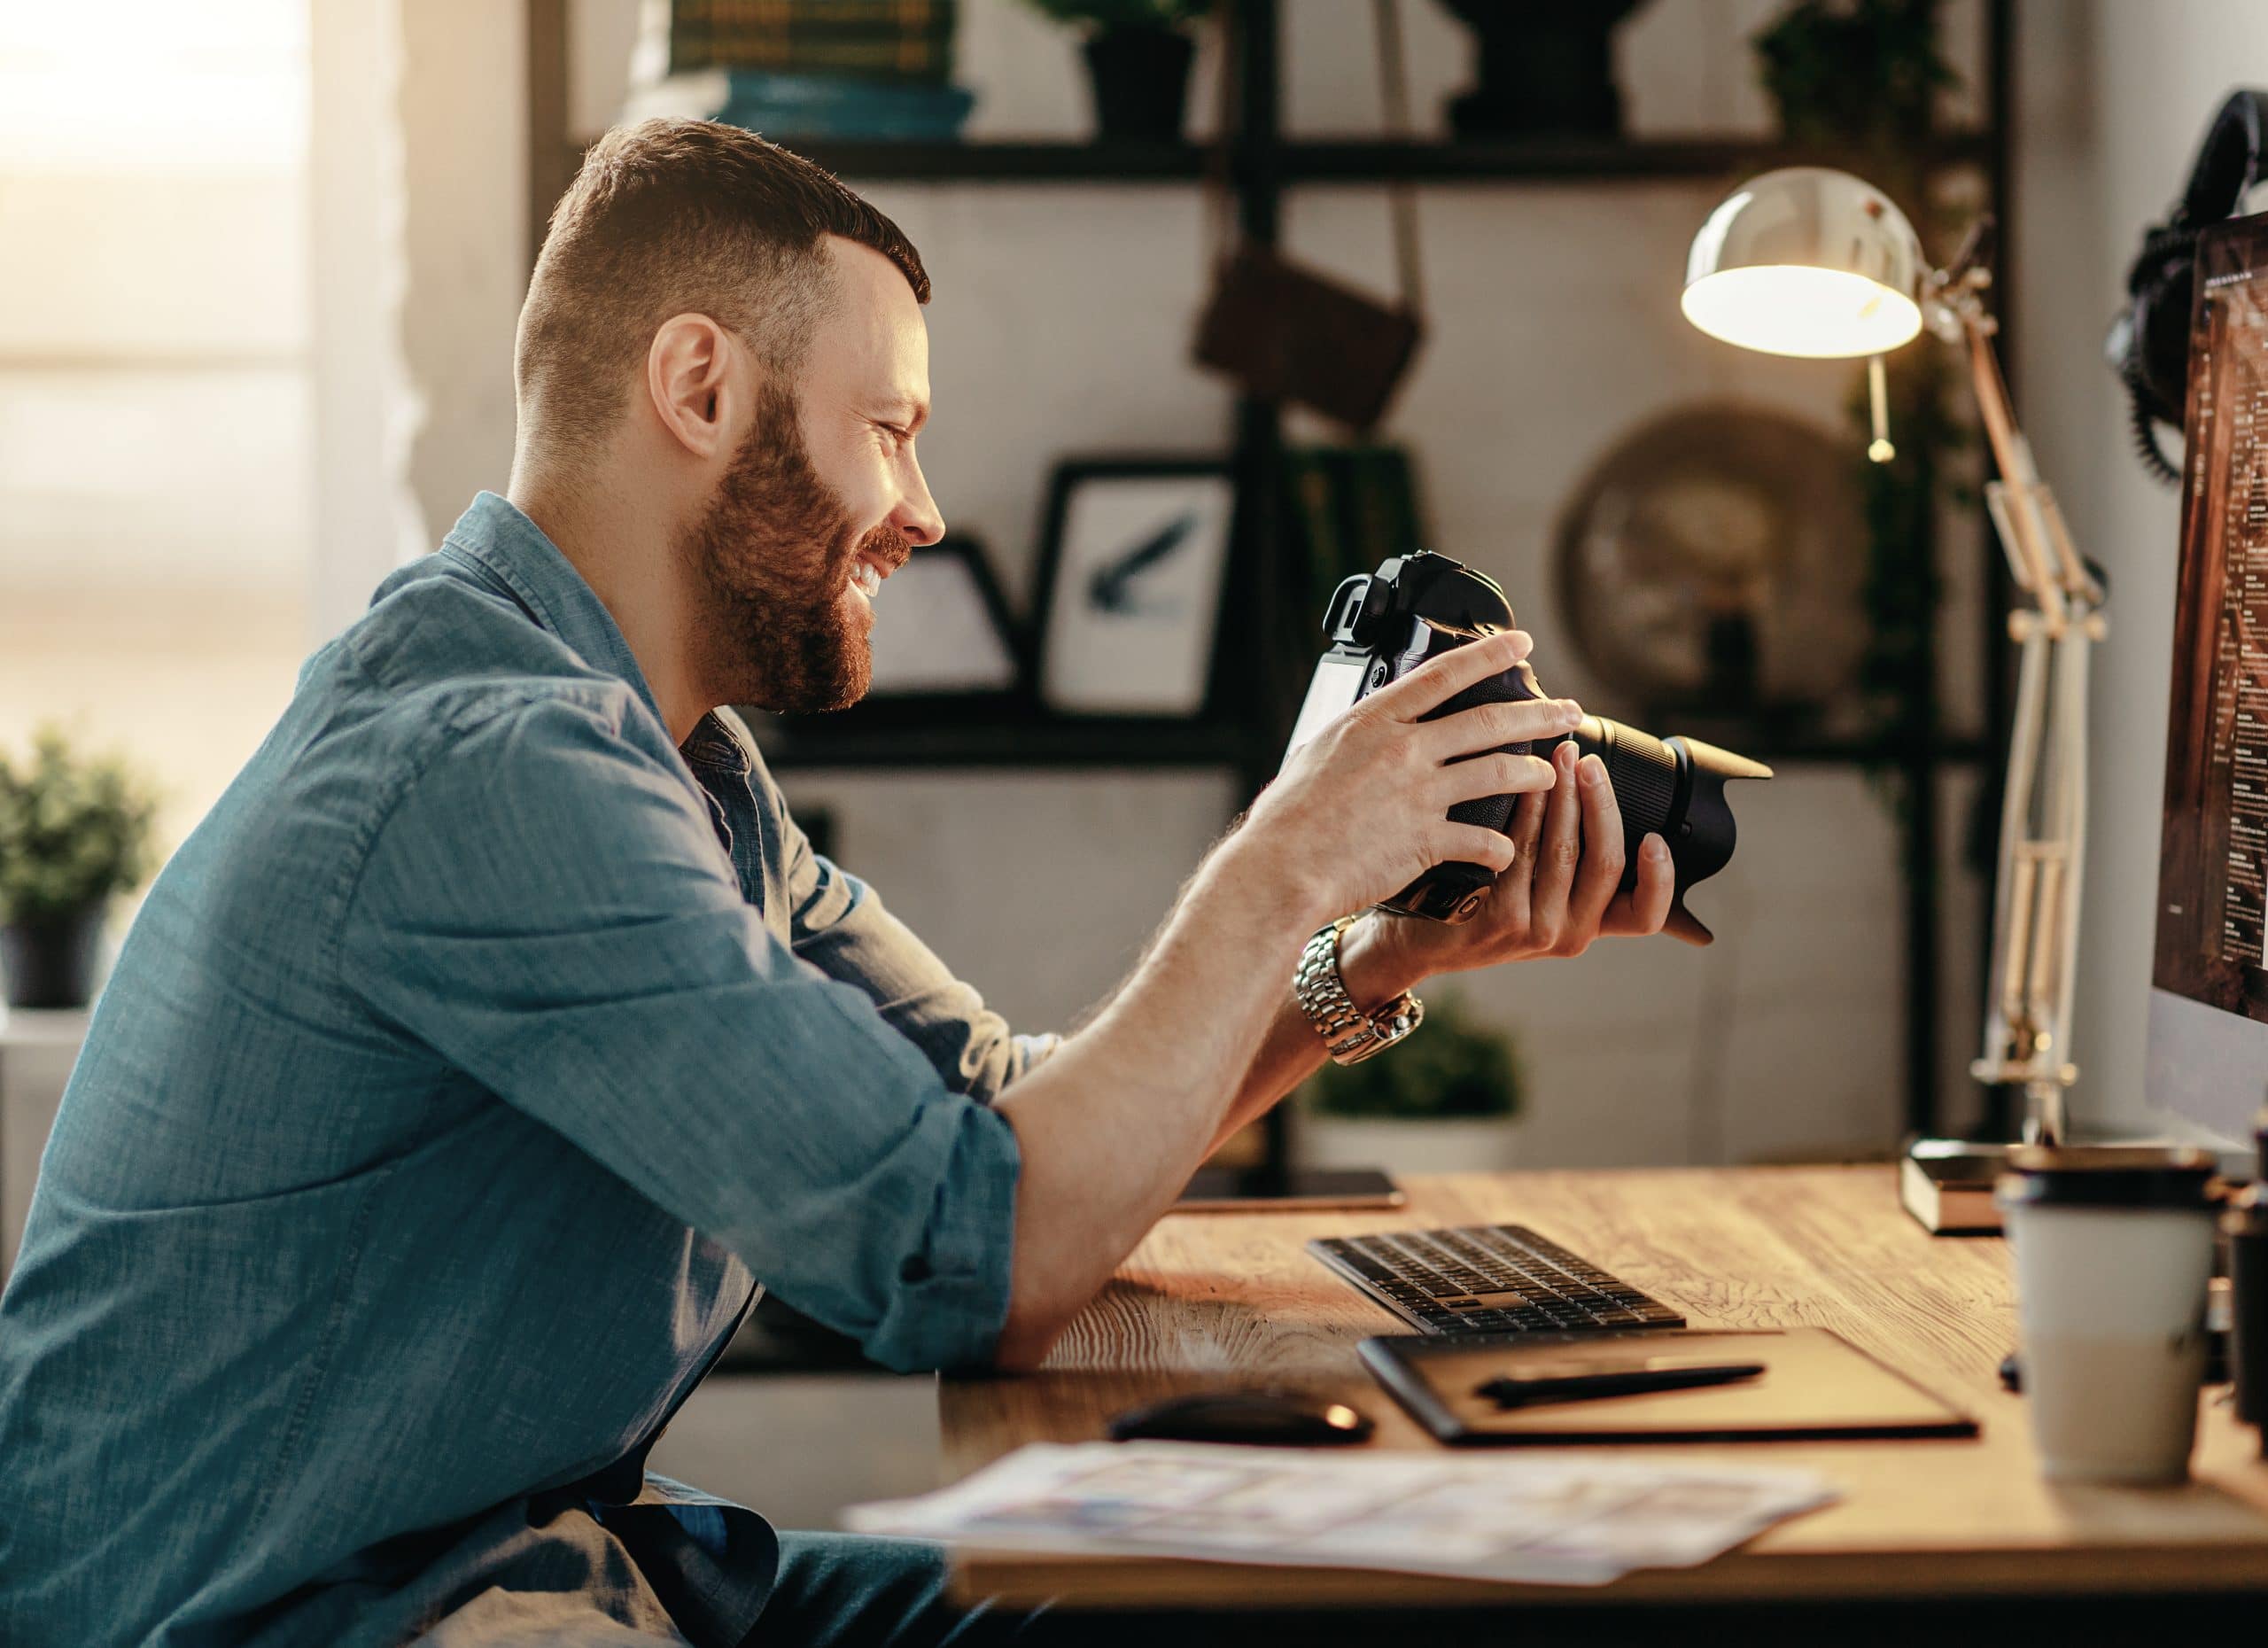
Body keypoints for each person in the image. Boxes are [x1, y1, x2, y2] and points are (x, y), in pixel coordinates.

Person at [0, 120, 1675, 1646]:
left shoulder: (680, 769)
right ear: (702, 389)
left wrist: (1360, 962)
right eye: (889, 430)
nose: (924, 512)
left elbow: (1010, 1119)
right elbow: (978, 1253)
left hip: (519, 1576)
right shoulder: (491, 765)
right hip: (312, 1620)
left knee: (1219, 1602)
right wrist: (1285, 854)